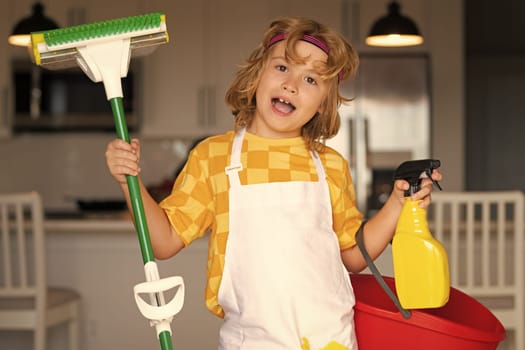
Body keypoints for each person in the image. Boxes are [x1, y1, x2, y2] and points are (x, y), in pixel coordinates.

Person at [105, 17, 442, 350]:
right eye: (282, 68)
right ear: (256, 75)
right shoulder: (213, 157)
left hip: (331, 340)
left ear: (324, 102)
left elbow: (354, 256)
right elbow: (163, 242)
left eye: (311, 79)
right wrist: (129, 181)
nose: (291, 85)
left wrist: (398, 203)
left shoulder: (330, 166)